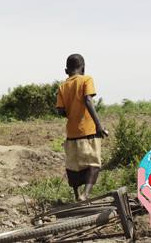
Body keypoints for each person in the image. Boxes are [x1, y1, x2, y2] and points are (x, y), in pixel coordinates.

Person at [55, 54, 108, 201]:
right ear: (83, 68)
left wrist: (71, 111)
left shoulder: (62, 86)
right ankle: (85, 195)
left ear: (66, 71)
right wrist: (99, 125)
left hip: (71, 134)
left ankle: (77, 195)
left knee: (73, 165)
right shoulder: (86, 79)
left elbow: (60, 111)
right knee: (93, 163)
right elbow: (88, 99)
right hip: (88, 131)